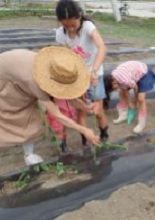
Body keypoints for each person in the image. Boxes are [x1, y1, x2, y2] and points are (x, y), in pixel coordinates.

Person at [0, 46, 100, 180]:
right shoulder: (36, 80)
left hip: (18, 81)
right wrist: (84, 130)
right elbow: (57, 114)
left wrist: (86, 107)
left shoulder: (55, 70)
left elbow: (67, 94)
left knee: (29, 118)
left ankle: (29, 154)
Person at [55, 0, 108, 144]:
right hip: (78, 77)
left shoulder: (88, 27)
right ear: (60, 22)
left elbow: (102, 48)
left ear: (79, 16)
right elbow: (69, 59)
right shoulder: (60, 34)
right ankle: (86, 141)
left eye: (73, 25)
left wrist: (94, 71)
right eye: (66, 25)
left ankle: (104, 136)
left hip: (95, 74)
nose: (70, 29)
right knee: (82, 112)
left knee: (98, 111)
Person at [104, 61, 155, 134]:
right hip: (132, 75)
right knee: (121, 93)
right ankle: (123, 115)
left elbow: (135, 88)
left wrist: (135, 102)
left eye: (112, 89)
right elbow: (125, 91)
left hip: (143, 73)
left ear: (113, 83)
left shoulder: (123, 80)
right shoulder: (114, 79)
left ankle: (142, 124)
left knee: (141, 99)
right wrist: (130, 104)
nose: (113, 90)